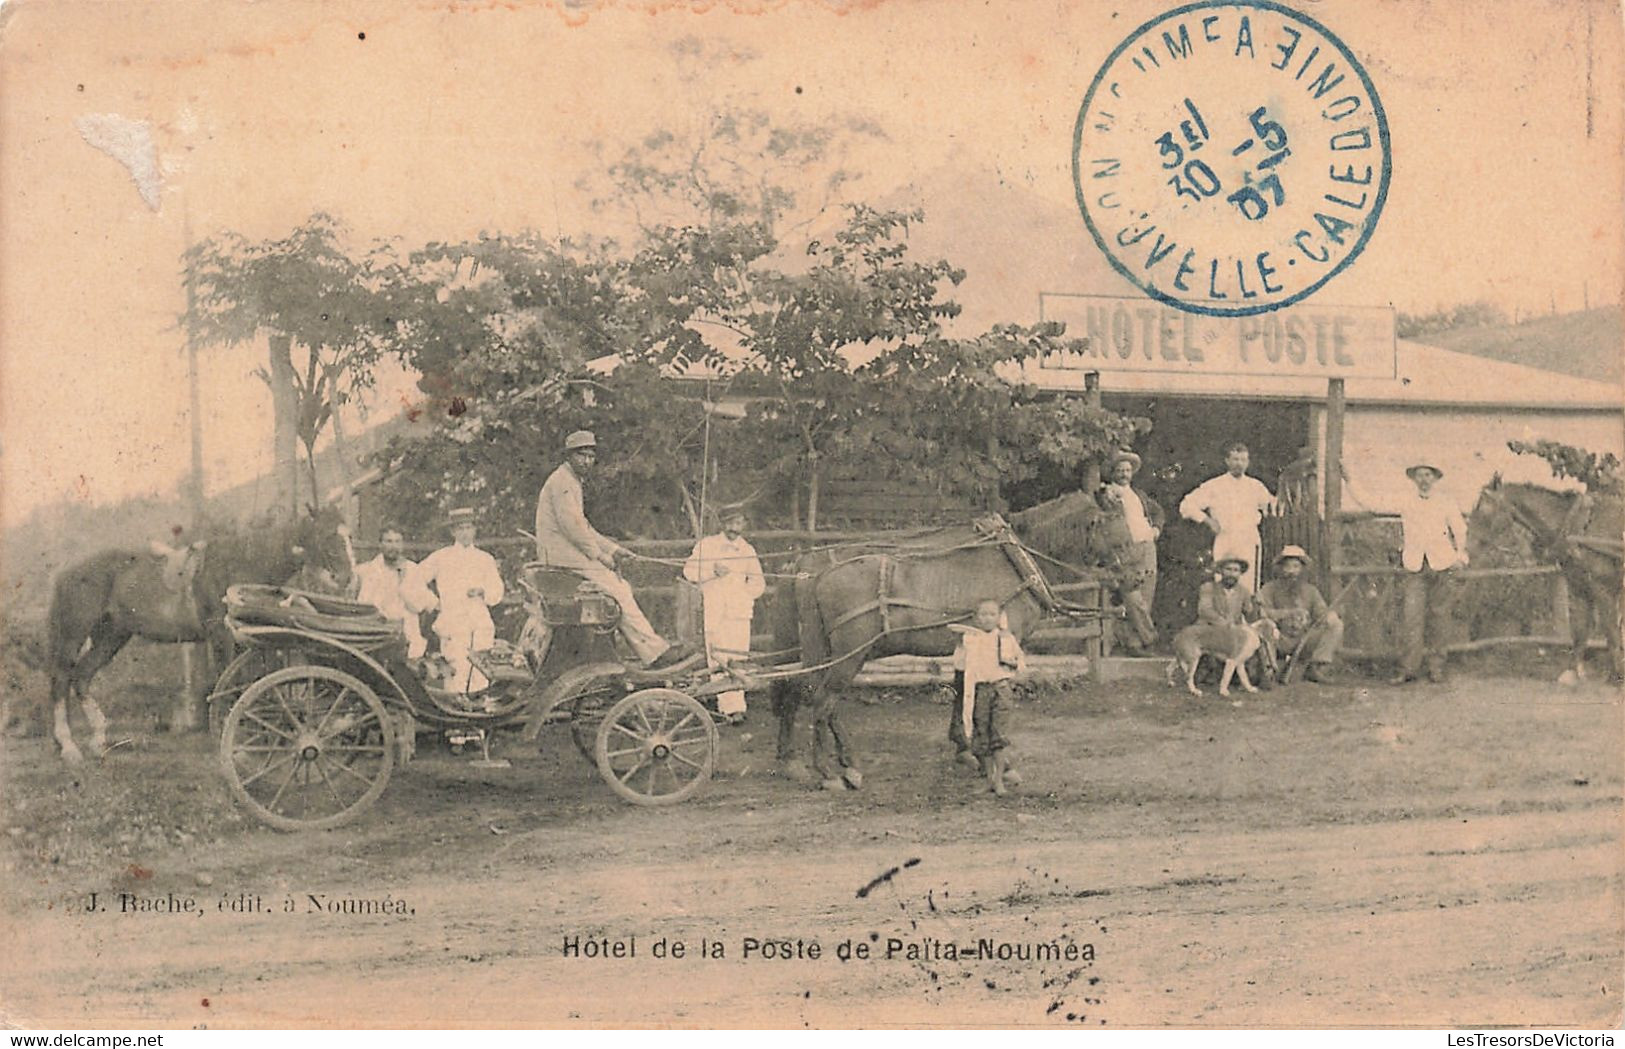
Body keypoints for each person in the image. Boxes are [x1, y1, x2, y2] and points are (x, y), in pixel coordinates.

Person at [534, 430, 686, 668]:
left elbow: (584, 526)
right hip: (562, 557)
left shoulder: (569, 480)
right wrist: (601, 557)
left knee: (621, 587)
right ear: (569, 456)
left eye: (590, 456)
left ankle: (643, 648)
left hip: (565, 554)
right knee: (618, 590)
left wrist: (614, 550)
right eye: (581, 455)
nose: (586, 461)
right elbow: (573, 529)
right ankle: (654, 653)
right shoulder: (563, 483)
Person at [406, 507, 506, 695]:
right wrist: (433, 602)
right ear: (453, 531)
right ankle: (457, 719)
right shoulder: (442, 557)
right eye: (460, 528)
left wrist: (483, 591)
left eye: (469, 527)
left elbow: (497, 592)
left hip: (479, 622)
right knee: (456, 671)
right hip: (454, 624)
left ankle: (479, 719)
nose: (465, 533)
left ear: (475, 530)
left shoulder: (485, 559)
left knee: (480, 674)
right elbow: (413, 580)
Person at [682, 505, 765, 724]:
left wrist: (744, 595)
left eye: (738, 524)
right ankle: (721, 705)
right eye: (730, 523)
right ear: (722, 524)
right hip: (715, 609)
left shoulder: (747, 550)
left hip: (738, 612)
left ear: (744, 525)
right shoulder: (707, 546)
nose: (733, 529)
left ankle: (736, 708)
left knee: (737, 658)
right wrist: (710, 573)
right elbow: (688, 571)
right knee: (717, 657)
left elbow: (758, 582)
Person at [1390, 463, 1468, 685]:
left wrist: (1460, 557)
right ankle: (1409, 669)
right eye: (1419, 475)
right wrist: (1349, 480)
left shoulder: (1445, 501)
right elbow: (1371, 502)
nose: (1423, 479)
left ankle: (1436, 668)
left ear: (1435, 478)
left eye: (1428, 475)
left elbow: (1460, 530)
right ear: (1413, 478)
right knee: (1411, 618)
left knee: (1440, 617)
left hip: (1442, 566)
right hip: (1415, 567)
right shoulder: (1405, 500)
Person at [947, 600, 1025, 795]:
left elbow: (1020, 664)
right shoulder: (970, 639)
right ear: (976, 618)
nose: (987, 618)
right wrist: (960, 645)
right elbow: (960, 666)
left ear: (999, 617)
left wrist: (1009, 673)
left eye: (992, 614)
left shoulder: (1006, 639)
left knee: (998, 737)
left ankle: (999, 781)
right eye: (983, 614)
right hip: (980, 691)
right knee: (982, 736)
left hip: (1000, 690)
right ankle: (989, 779)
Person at [1179, 442, 1276, 591]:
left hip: (1249, 539)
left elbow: (1272, 505)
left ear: (1248, 462)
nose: (1239, 464)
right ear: (1227, 461)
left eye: (1243, 460)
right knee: (1224, 584)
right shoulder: (1215, 485)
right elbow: (1187, 505)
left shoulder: (1256, 486)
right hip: (1226, 538)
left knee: (1249, 585)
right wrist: (1207, 520)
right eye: (1235, 459)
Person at [1097, 449, 1163, 652]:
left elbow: (1158, 511)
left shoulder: (1139, 495)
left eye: (1127, 470)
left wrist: (1156, 528)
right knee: (1131, 595)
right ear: (1113, 473)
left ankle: (1134, 644)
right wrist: (1106, 496)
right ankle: (1150, 638)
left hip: (1147, 546)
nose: (1124, 474)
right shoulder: (1106, 493)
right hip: (1126, 549)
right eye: (1120, 470)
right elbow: (1103, 512)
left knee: (1146, 596)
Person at [1257, 545, 1343, 683]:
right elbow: (1261, 613)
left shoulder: (1311, 591)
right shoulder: (1269, 589)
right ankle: (1269, 671)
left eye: (1296, 567)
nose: (1291, 571)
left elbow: (1321, 612)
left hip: (1304, 640)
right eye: (1287, 567)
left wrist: (1329, 615)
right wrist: (1287, 613)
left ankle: (1316, 668)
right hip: (1279, 639)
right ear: (1280, 568)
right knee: (1265, 627)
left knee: (1335, 624)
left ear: (1302, 569)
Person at [353, 525, 427, 659]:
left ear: (402, 545)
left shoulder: (413, 570)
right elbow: (363, 605)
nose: (393, 546)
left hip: (407, 638)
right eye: (388, 541)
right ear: (380, 544)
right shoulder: (366, 571)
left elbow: (418, 606)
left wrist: (402, 584)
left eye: (397, 541)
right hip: (376, 639)